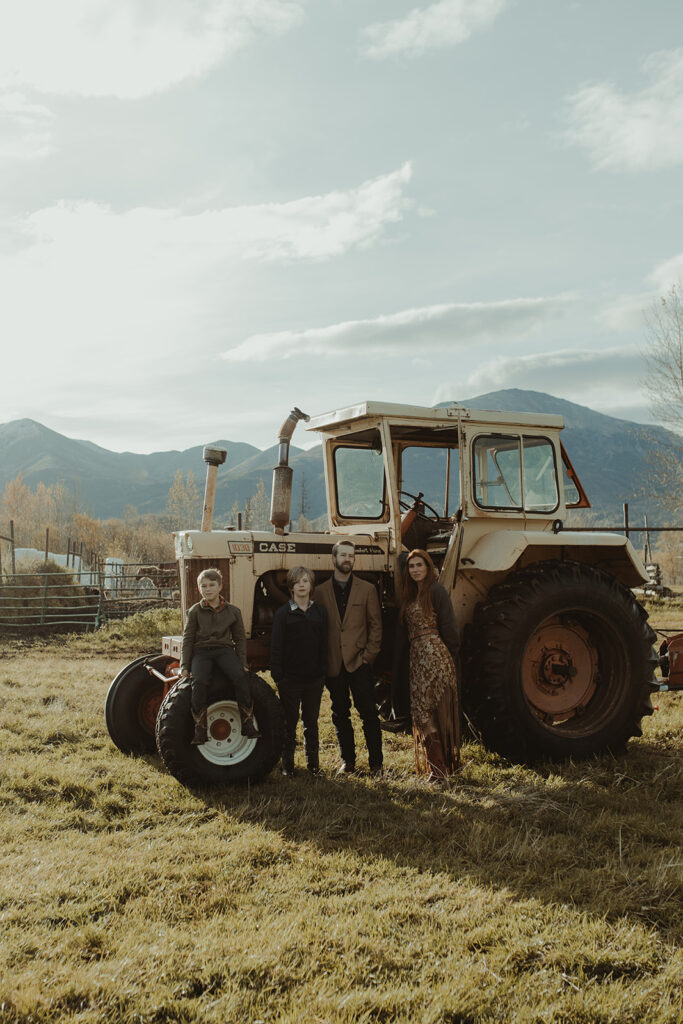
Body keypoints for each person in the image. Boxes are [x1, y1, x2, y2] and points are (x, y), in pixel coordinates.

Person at [315, 540, 383, 775]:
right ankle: (349, 761)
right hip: (334, 663)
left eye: (351, 556)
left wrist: (370, 655)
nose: (347, 559)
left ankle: (377, 764)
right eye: (343, 555)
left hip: (359, 662)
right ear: (333, 559)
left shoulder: (367, 589)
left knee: (369, 714)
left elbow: (375, 624)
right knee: (339, 714)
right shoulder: (320, 591)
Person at [394, 548, 460, 781]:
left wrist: (451, 659)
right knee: (422, 713)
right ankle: (439, 769)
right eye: (411, 567)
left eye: (419, 565)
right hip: (417, 659)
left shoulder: (437, 591)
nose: (415, 570)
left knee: (434, 711)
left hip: (436, 657)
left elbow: (450, 628)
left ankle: (440, 770)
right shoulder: (408, 596)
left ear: (428, 567)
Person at [180, 567, 260, 745]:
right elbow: (188, 639)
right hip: (202, 652)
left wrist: (242, 662)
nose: (208, 589)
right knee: (199, 681)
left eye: (211, 585)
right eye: (204, 586)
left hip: (224, 650)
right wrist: (184, 665)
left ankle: (247, 723)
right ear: (199, 589)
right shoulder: (194, 611)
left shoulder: (233, 611)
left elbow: (239, 638)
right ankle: (200, 729)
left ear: (220, 587)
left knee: (240, 677)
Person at [269, 566, 327, 777]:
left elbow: (324, 644)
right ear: (291, 587)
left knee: (311, 722)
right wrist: (279, 676)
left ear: (311, 585)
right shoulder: (284, 613)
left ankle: (313, 765)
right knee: (289, 723)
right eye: (297, 582)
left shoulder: (319, 612)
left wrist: (322, 672)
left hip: (314, 679)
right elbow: (276, 647)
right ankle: (288, 765)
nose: (302, 585)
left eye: (305, 581)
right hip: (290, 680)